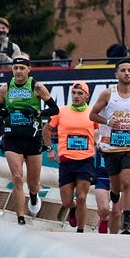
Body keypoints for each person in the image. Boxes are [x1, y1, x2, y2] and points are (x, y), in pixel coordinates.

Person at [0, 55, 57, 225]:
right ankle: (20, 217)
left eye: (22, 68)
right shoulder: (5, 88)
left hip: (33, 139)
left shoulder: (37, 87)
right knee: (17, 177)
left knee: (33, 183)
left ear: (29, 70)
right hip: (12, 138)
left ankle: (34, 195)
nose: (18, 71)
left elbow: (55, 109)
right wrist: (3, 114)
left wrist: (37, 113)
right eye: (15, 68)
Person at [88, 60, 130, 234]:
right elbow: (92, 115)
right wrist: (108, 121)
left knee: (128, 181)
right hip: (110, 146)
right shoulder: (108, 94)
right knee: (116, 187)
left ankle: (126, 224)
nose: (127, 73)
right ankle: (114, 193)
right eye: (123, 70)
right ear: (116, 74)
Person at [49, 81, 98, 232]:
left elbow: (100, 131)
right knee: (67, 200)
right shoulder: (61, 111)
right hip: (66, 161)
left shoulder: (92, 113)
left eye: (80, 93)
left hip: (85, 160)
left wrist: (97, 141)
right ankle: (73, 207)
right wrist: (50, 148)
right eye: (74, 93)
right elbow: (47, 129)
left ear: (87, 96)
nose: (76, 96)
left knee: (82, 196)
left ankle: (81, 231)